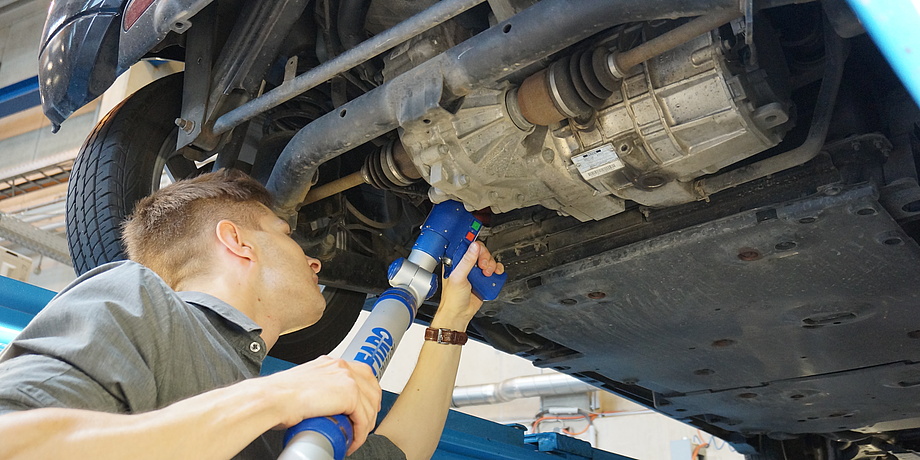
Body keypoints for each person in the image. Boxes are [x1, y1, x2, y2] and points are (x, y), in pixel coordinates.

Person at [0, 168, 504, 460]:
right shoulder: (132, 298)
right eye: (286, 236)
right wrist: (272, 398)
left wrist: (453, 319)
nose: (314, 260)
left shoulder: (247, 384)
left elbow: (400, 451)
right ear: (236, 241)